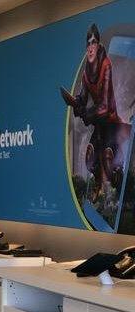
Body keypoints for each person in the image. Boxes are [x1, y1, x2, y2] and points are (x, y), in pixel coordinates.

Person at [61, 24, 128, 202]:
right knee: (89, 159)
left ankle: (119, 182)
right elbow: (83, 98)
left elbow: (105, 105)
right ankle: (98, 185)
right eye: (88, 43)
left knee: (108, 160)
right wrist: (76, 103)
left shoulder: (106, 65)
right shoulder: (86, 73)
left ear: (98, 45)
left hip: (111, 122)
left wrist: (87, 114)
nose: (90, 47)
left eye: (93, 42)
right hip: (99, 124)